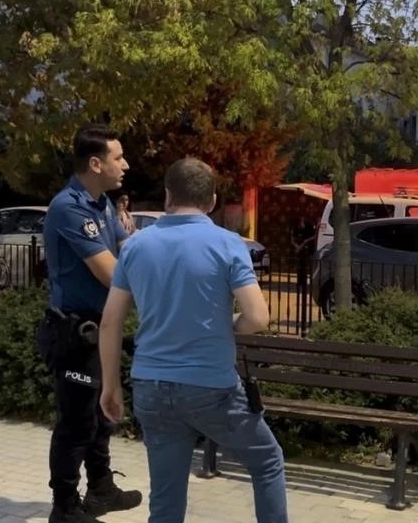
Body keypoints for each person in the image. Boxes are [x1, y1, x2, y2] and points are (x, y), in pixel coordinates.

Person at [97, 156, 288, 523]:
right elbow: (258, 318)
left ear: (168, 196)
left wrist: (111, 386)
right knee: (267, 461)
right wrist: (228, 323)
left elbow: (110, 323)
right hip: (211, 388)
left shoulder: (136, 246)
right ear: (212, 201)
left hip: (151, 385)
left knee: (166, 501)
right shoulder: (228, 244)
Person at [36, 123, 143, 523]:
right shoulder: (69, 207)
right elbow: (111, 273)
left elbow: (129, 250)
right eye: (119, 157)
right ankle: (64, 506)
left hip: (102, 328)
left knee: (101, 415)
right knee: (76, 422)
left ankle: (101, 489)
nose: (125, 165)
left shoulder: (103, 206)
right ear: (96, 164)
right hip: (75, 332)